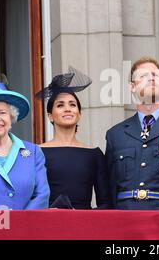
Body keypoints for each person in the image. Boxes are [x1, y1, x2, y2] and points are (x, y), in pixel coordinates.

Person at [105, 57, 159, 209]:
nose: (151, 79)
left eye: (155, 75)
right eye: (143, 76)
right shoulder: (116, 135)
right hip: (126, 221)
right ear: (132, 87)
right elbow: (110, 189)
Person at [37, 68, 111, 209]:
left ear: (79, 114)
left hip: (84, 226)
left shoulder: (94, 154)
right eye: (60, 105)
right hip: (47, 224)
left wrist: (84, 218)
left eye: (72, 104)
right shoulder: (37, 152)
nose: (67, 109)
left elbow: (106, 203)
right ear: (50, 116)